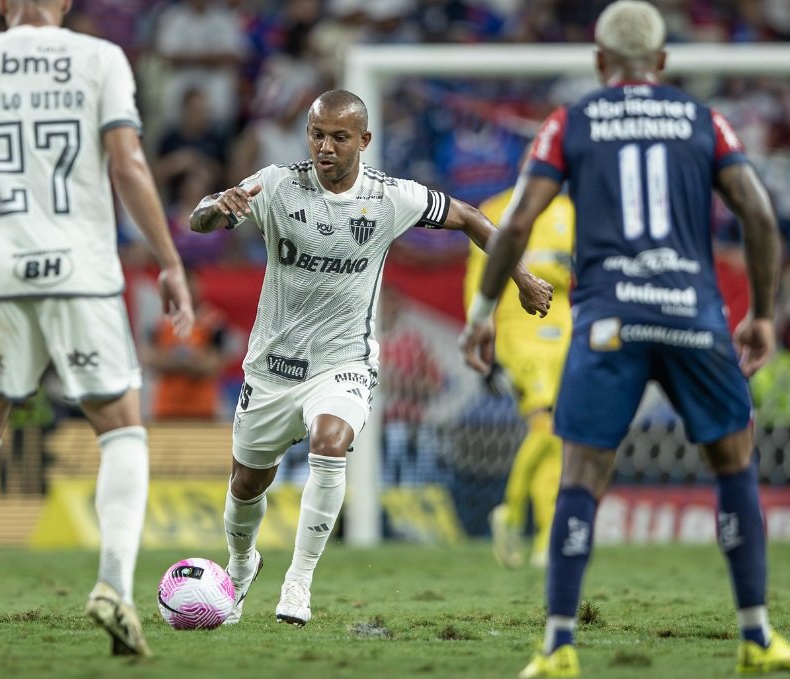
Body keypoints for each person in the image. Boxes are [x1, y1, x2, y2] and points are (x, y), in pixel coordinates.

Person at [459, 2, 790, 676]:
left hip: (609, 319)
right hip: (691, 313)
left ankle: (558, 644)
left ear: (598, 63)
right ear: (663, 61)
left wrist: (480, 311)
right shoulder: (704, 120)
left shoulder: (570, 121)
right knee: (735, 461)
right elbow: (760, 214)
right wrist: (762, 311)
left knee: (583, 472)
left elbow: (518, 221)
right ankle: (757, 635)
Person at [188, 89, 553, 627]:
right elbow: (198, 222)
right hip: (271, 366)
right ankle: (241, 568)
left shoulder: (390, 197)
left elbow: (471, 217)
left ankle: (299, 581)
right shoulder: (275, 184)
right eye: (317, 134)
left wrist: (520, 278)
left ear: (364, 140)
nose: (326, 147)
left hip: (344, 361)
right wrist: (214, 208)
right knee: (247, 482)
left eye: (339, 137)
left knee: (331, 441)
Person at [0, 0, 193, 658]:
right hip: (82, 273)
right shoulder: (100, 60)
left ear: (2, 2)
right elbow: (128, 168)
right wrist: (171, 261)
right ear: (64, 0)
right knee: (122, 429)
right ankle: (113, 587)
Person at [464, 181, 574, 569]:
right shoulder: (494, 206)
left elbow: (579, 267)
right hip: (518, 333)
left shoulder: (569, 211)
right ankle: (510, 513)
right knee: (545, 426)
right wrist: (479, 329)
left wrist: (545, 265)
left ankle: (547, 539)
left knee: (554, 435)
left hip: (562, 333)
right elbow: (480, 276)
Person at [143, 273, 229, 421]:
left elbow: (213, 365)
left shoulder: (214, 322)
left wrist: (171, 359)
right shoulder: (159, 322)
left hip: (203, 412)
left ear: (199, 287)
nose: (187, 291)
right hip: (165, 410)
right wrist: (192, 359)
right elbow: (150, 360)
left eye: (191, 285)